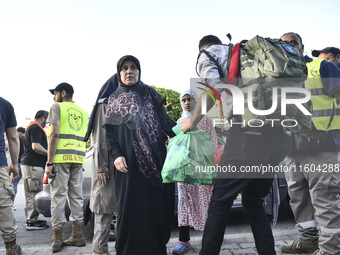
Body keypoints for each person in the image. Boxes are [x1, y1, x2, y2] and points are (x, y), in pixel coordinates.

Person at [179, 35, 294, 255]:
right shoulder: (245, 54)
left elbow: (211, 88)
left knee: (220, 201)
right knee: (253, 200)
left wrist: (191, 122)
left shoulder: (208, 54)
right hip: (278, 138)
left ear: (201, 49)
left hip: (248, 137)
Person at [103, 55, 176, 255]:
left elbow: (165, 122)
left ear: (139, 71)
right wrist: (116, 155)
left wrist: (184, 132)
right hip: (128, 165)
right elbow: (109, 133)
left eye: (133, 67)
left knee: (155, 209)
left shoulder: (150, 94)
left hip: (155, 162)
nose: (129, 71)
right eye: (124, 68)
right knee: (129, 210)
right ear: (119, 73)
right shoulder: (114, 99)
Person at [280, 32, 340, 255]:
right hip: (291, 148)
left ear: (303, 46)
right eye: (284, 44)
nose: (289, 47)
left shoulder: (322, 67)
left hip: (323, 146)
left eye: (293, 43)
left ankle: (330, 249)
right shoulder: (277, 76)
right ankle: (307, 240)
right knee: (297, 196)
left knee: (324, 198)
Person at [172, 89, 218, 254]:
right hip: (183, 171)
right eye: (183, 100)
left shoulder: (205, 119)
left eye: (190, 99)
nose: (186, 102)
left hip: (201, 169)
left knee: (205, 203)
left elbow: (212, 141)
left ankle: (209, 240)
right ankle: (184, 241)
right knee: (184, 203)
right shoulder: (179, 121)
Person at [45, 83, 89, 253]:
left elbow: (54, 134)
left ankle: (57, 239)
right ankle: (78, 236)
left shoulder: (57, 107)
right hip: (78, 159)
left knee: (58, 197)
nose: (53, 97)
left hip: (60, 158)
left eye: (54, 93)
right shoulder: (83, 112)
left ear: (63, 93)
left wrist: (50, 162)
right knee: (76, 197)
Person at [85, 74, 118, 255]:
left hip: (118, 164)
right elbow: (98, 138)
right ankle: (99, 251)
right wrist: (101, 166)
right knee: (103, 210)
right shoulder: (104, 103)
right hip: (105, 166)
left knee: (115, 210)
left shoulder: (124, 103)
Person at [20, 110, 49, 230]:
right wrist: (50, 153)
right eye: (47, 121)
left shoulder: (31, 127)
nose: (47, 123)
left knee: (30, 193)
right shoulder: (36, 128)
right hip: (33, 165)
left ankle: (31, 219)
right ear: (43, 118)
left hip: (29, 164)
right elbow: (36, 146)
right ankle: (32, 221)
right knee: (34, 193)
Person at [0, 96, 22, 255]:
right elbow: (13, 138)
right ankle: (11, 247)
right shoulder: (4, 105)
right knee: (3, 205)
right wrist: (14, 164)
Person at [12, 127, 25, 205]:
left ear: (19, 133)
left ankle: (11, 203)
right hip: (24, 164)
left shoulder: (18, 141)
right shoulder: (27, 141)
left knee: (13, 183)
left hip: (18, 164)